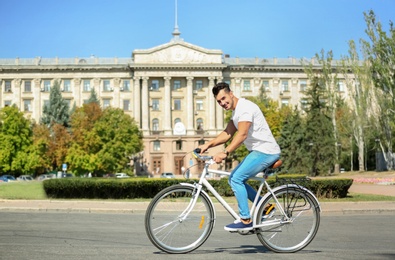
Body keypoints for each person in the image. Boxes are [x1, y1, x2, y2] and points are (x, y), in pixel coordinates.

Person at [198, 82, 281, 231]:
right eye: (219, 101)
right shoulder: (236, 112)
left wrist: (225, 152)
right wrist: (207, 145)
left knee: (236, 179)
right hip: (258, 151)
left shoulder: (245, 108)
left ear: (231, 93)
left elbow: (242, 134)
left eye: (224, 98)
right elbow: (227, 134)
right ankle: (266, 207)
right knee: (234, 178)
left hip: (265, 151)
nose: (223, 103)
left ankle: (246, 219)